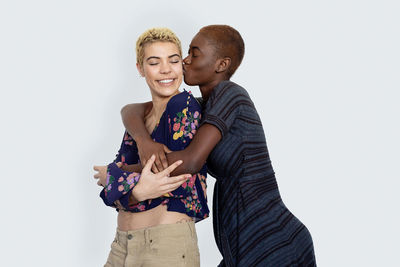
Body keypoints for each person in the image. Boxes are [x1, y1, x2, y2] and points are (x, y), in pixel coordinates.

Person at [121, 25, 317, 266]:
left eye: (195, 54)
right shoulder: (205, 106)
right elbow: (131, 110)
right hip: (239, 245)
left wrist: (121, 172)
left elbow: (191, 161)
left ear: (221, 65)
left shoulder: (231, 95)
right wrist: (144, 141)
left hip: (273, 240)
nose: (185, 60)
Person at [93, 27, 209, 267]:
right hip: (121, 246)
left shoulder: (183, 106)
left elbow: (168, 170)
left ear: (182, 65)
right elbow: (112, 192)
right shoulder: (140, 119)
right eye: (154, 62)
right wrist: (135, 191)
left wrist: (114, 176)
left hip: (164, 246)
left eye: (173, 60)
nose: (166, 69)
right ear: (140, 69)